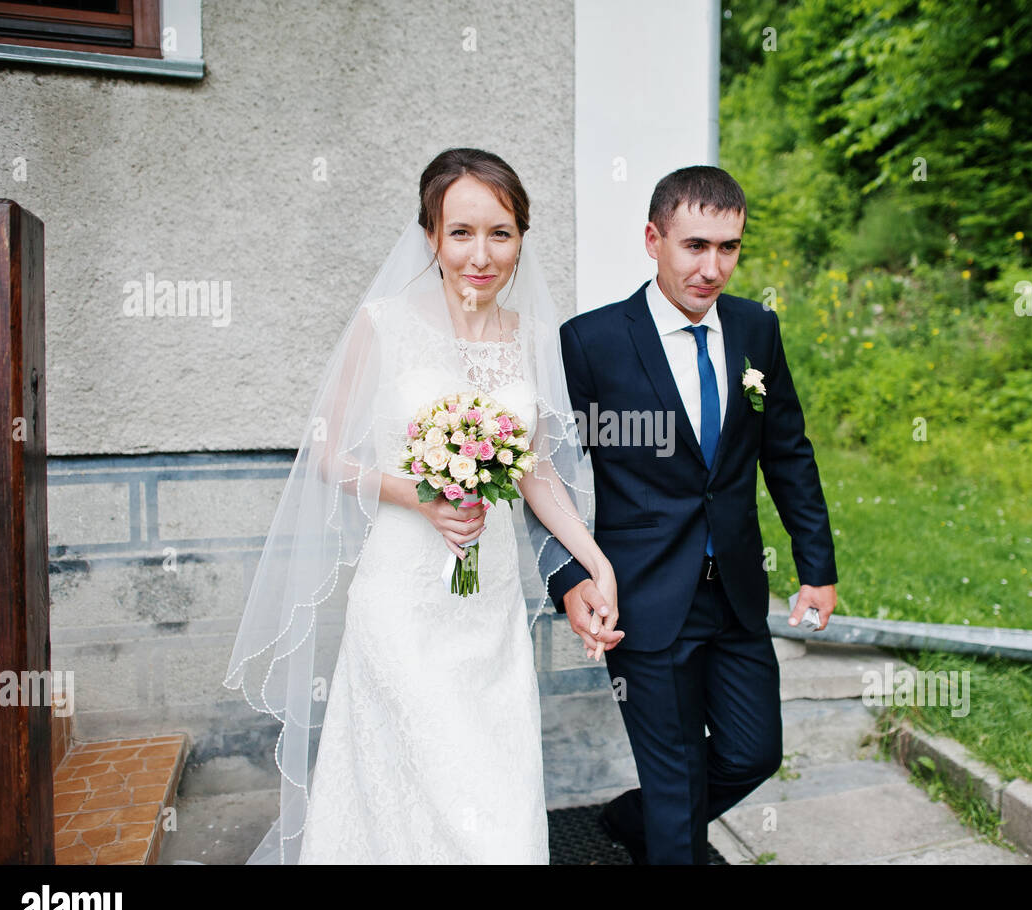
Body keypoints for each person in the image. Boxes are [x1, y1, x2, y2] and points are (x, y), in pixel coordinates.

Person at [224, 147, 618, 864]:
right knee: (414, 783)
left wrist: (594, 561)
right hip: (403, 597)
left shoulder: (532, 341)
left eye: (500, 232)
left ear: (522, 239)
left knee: (495, 789)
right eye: (461, 231)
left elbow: (535, 473)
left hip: (488, 598)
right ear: (431, 235)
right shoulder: (384, 323)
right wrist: (422, 492)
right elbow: (328, 454)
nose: (481, 252)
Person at [526, 165, 838, 864]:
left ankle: (633, 820)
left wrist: (816, 566)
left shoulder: (758, 328)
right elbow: (551, 478)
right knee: (676, 790)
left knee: (754, 751)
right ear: (653, 239)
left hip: (734, 593)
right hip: (640, 594)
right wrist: (571, 579)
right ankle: (662, 830)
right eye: (695, 245)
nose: (712, 266)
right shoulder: (591, 342)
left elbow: (787, 453)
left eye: (728, 247)